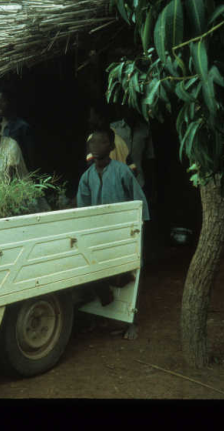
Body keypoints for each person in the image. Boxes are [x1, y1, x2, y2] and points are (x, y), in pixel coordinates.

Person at [77, 124, 150, 340]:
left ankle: (131, 322)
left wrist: (138, 230)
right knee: (95, 272)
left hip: (124, 232)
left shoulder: (122, 171)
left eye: (101, 142)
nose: (95, 146)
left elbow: (139, 202)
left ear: (110, 146)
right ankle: (97, 317)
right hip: (99, 235)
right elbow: (84, 212)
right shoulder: (86, 177)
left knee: (133, 273)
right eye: (92, 142)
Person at [110, 109, 155, 194]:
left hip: (139, 182)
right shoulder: (114, 128)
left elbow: (149, 158)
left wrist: (151, 186)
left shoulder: (145, 129)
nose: (130, 111)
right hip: (117, 182)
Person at [0, 88, 36, 172]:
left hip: (18, 174)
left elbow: (30, 156)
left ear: (10, 102)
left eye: (2, 101)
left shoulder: (22, 127)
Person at [85, 101, 131, 167]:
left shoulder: (92, 139)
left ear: (99, 118)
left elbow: (92, 167)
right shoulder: (121, 140)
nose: (89, 120)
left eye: (91, 116)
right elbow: (132, 169)